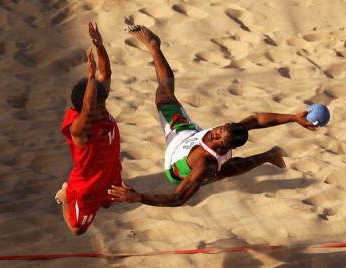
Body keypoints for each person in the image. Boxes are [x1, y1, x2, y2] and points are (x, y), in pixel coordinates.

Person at [109, 25, 316, 207]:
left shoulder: (205, 164)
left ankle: (268, 156)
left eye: (218, 139)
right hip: (187, 134)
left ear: (226, 148)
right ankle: (154, 46)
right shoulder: (226, 131)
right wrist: (292, 117)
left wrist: (139, 197)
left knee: (221, 172)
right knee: (164, 94)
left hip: (176, 165)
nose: (214, 136)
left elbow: (178, 198)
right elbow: (257, 119)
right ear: (224, 125)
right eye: (217, 131)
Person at [55, 22, 123, 235]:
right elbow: (87, 107)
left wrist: (100, 46)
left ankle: (99, 197)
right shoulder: (80, 129)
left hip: (110, 168)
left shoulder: (98, 107)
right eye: (97, 106)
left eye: (102, 104)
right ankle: (66, 194)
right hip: (87, 184)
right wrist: (91, 78)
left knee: (109, 203)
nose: (103, 109)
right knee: (77, 230)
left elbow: (107, 72)